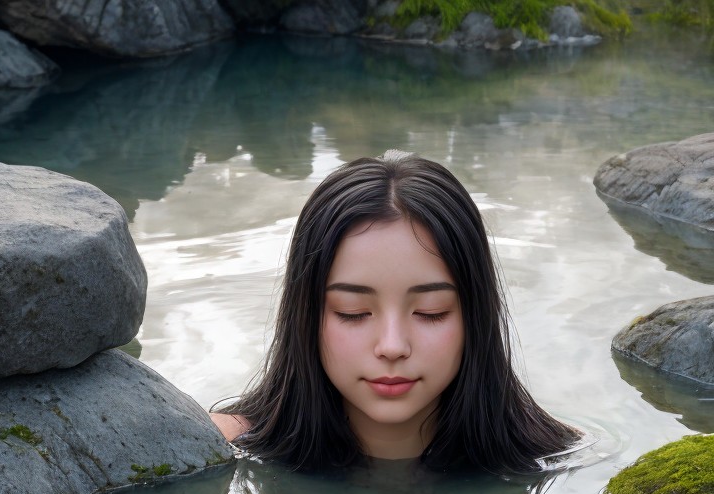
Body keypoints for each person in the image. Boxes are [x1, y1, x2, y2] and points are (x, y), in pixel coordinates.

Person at [210, 150, 579, 471]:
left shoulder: (560, 456)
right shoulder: (218, 446)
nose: (392, 346)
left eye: (431, 311)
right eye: (352, 311)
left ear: (474, 317)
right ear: (305, 316)